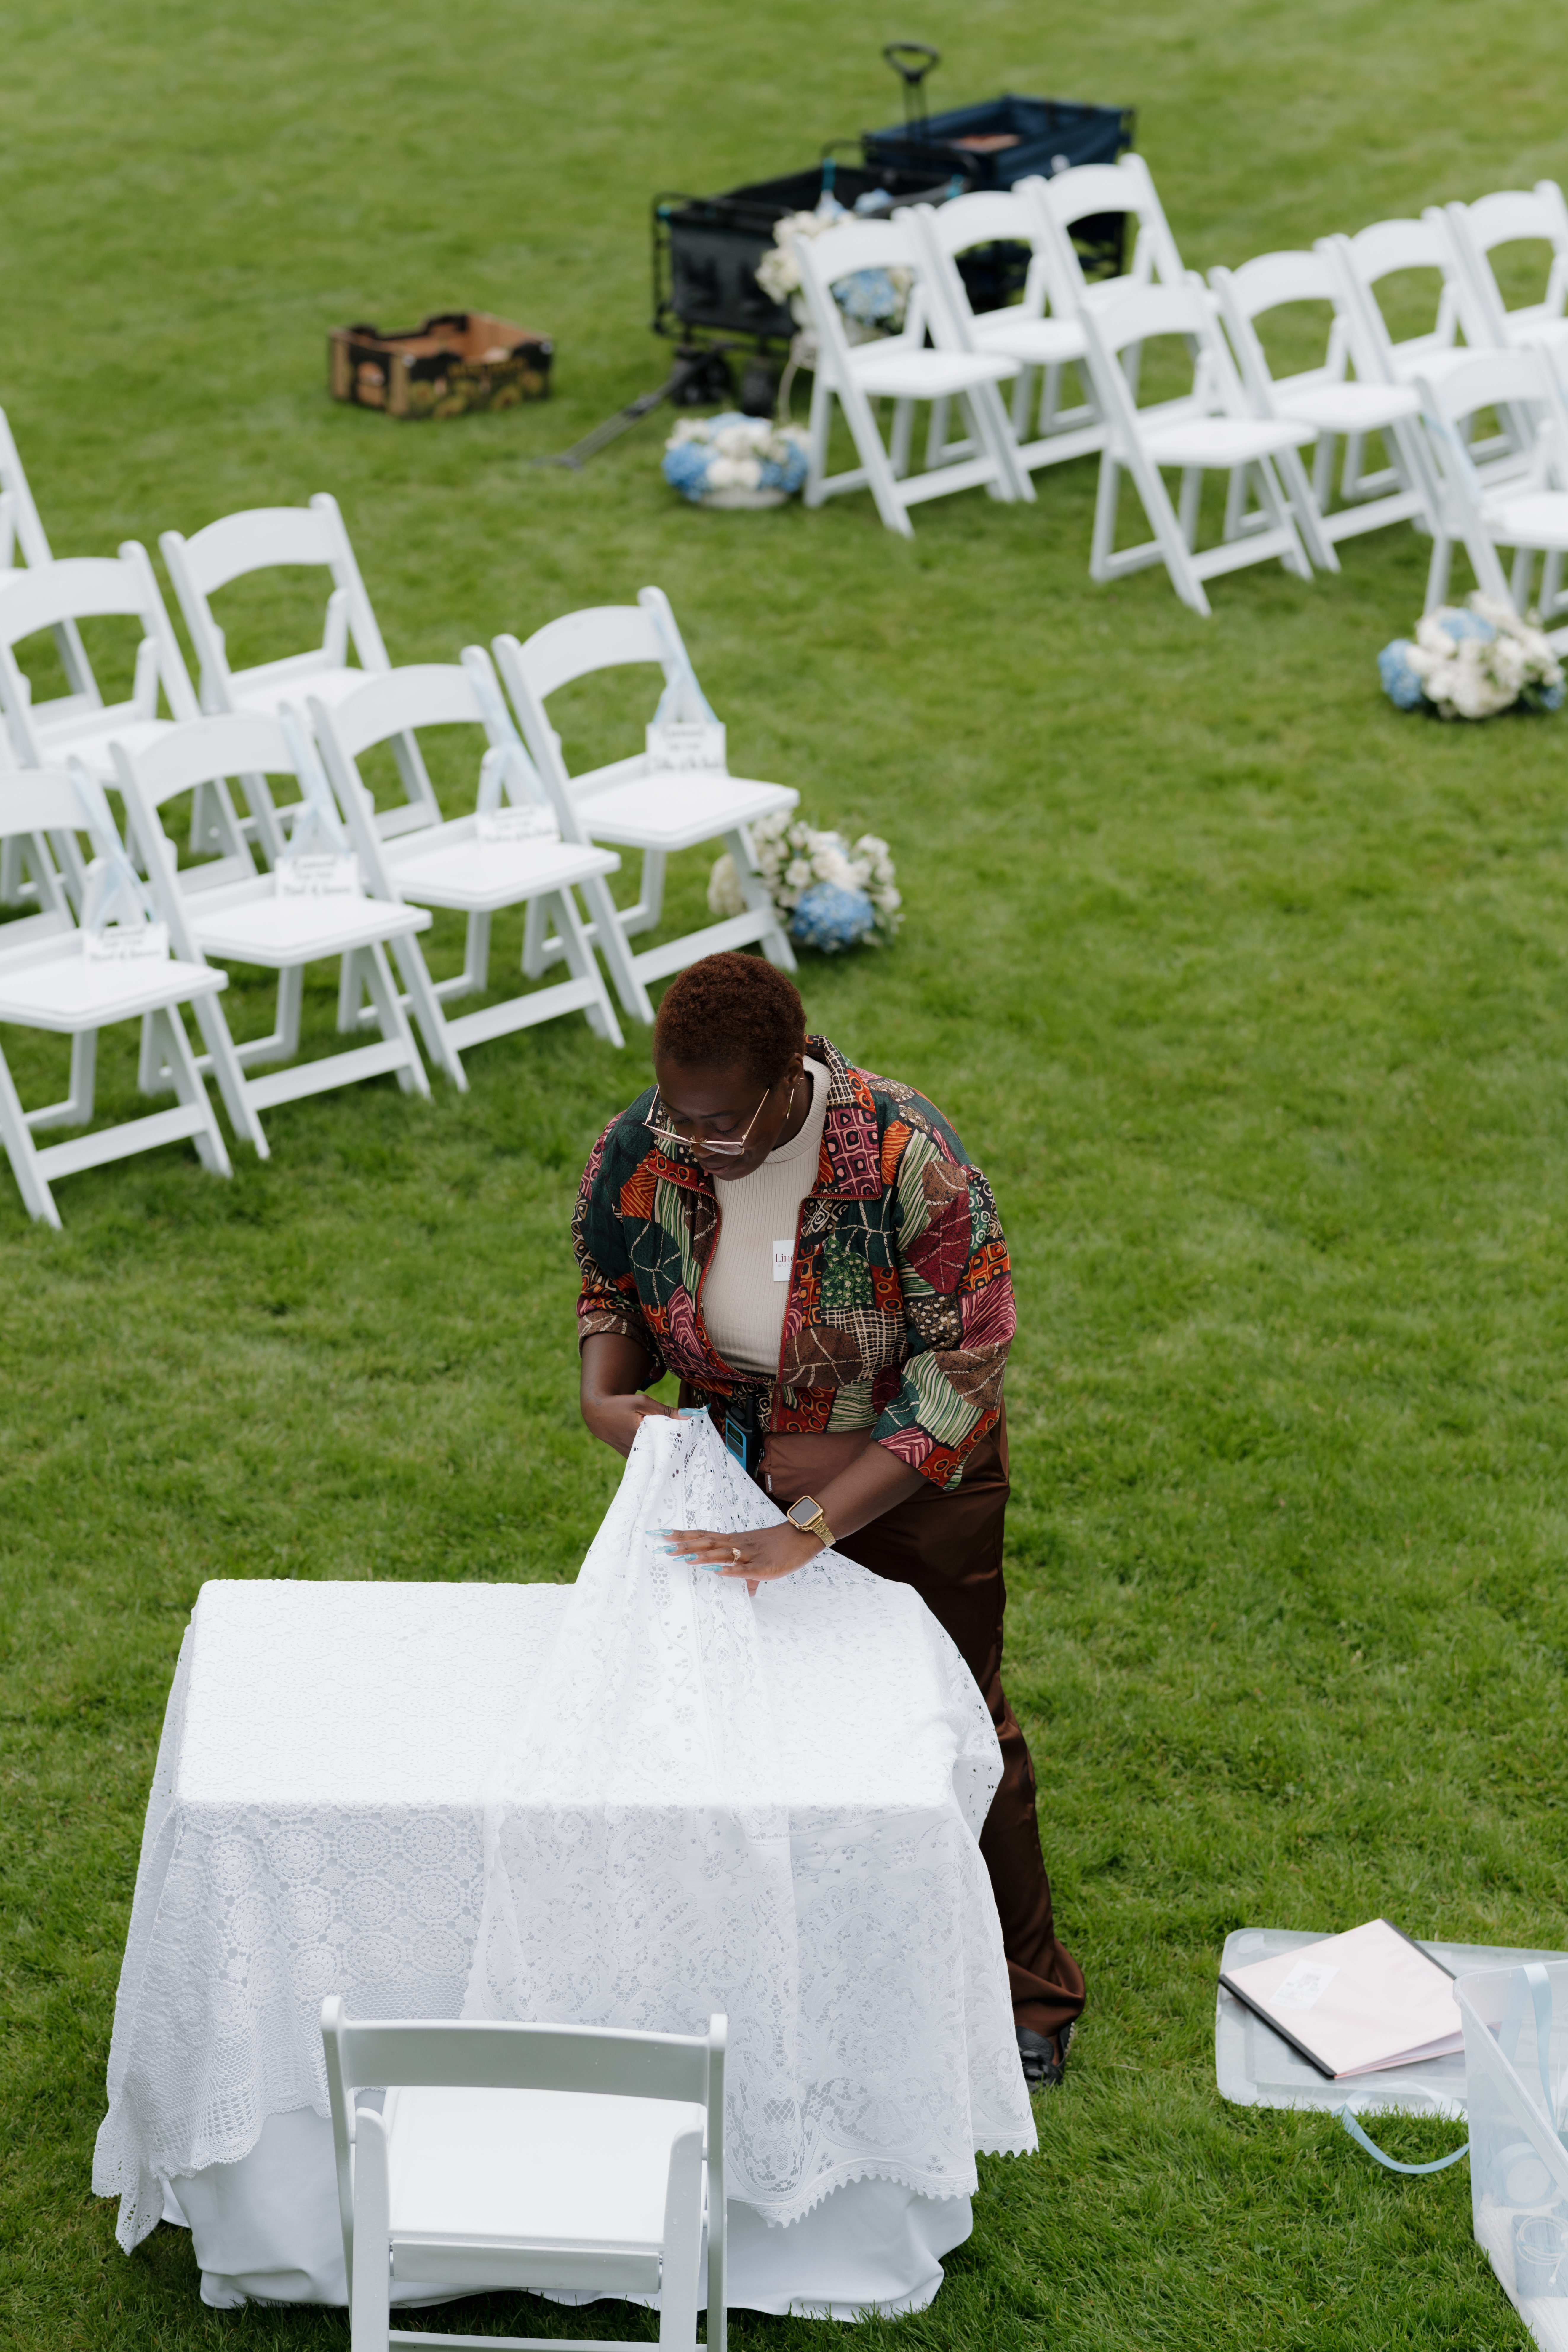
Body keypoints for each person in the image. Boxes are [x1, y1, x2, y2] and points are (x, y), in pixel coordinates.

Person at [573, 950, 1085, 2086]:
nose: (683, 1135)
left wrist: (810, 1527)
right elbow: (610, 1274)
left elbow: (966, 1364)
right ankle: (775, 1962)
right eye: (671, 1107)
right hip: (720, 1479)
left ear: (782, 1081)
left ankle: (1026, 1989)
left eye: (714, 1119)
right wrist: (608, 1393)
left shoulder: (907, 1157)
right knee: (725, 1717)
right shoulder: (648, 1141)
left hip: (908, 1489)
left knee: (956, 1722)